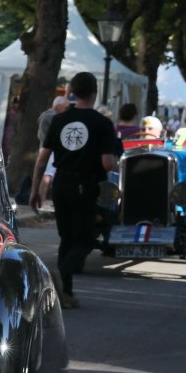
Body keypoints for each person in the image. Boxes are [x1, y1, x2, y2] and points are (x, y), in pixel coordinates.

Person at [30, 71, 121, 310]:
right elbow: (107, 164)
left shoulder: (59, 120)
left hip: (61, 182)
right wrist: (114, 161)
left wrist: (35, 189)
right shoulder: (102, 123)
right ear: (95, 92)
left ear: (72, 92)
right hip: (85, 183)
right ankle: (61, 275)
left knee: (67, 238)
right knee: (86, 238)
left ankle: (66, 294)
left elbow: (42, 159)